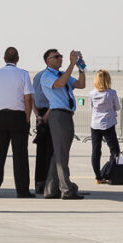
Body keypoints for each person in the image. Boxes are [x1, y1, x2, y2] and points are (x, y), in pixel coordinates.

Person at [0, 46, 34, 197]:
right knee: (20, 155)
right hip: (18, 116)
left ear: (4, 59)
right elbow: (28, 97)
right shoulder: (23, 74)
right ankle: (22, 190)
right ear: (17, 59)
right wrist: (27, 116)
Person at [40, 48, 87, 200]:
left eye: (61, 56)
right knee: (61, 155)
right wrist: (72, 65)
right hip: (58, 114)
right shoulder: (46, 75)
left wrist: (81, 69)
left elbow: (80, 84)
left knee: (59, 154)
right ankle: (66, 189)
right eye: (56, 57)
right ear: (48, 61)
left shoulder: (62, 74)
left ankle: (50, 189)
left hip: (66, 115)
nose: (60, 58)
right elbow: (59, 84)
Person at [89, 69, 121, 184]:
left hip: (95, 124)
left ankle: (98, 176)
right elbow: (117, 107)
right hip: (108, 123)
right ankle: (108, 172)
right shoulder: (111, 93)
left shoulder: (92, 93)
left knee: (96, 150)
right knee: (115, 150)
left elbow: (91, 109)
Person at [31, 58, 53, 195]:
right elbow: (55, 99)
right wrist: (44, 116)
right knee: (51, 151)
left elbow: (31, 97)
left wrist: (37, 116)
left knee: (41, 151)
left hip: (40, 114)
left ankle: (39, 182)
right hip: (50, 113)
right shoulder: (52, 77)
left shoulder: (38, 76)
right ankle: (49, 182)